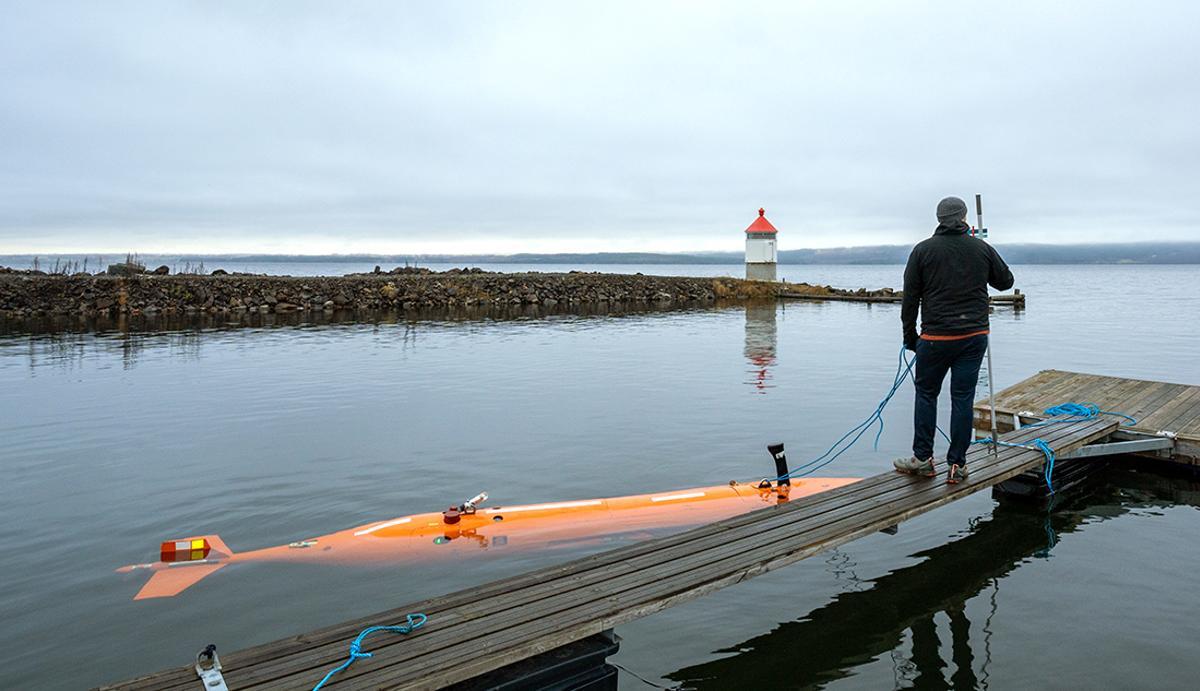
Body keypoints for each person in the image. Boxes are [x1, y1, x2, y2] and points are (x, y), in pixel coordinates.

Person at [894, 196, 1014, 484]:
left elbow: (910, 299)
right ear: (963, 218)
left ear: (938, 219)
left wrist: (910, 338)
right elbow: (1006, 282)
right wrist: (982, 250)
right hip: (973, 337)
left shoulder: (922, 251)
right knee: (963, 398)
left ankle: (923, 459)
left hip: (934, 338)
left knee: (926, 395)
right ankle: (957, 465)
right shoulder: (981, 248)